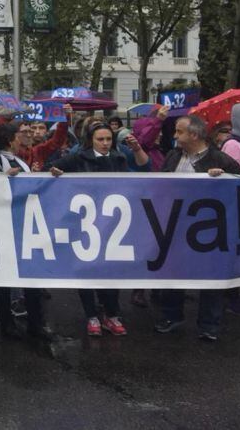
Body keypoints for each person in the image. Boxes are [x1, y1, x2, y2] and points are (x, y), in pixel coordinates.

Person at [49, 122, 149, 337]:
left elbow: (143, 169)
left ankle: (111, 314)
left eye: (108, 139)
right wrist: (56, 172)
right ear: (91, 140)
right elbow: (54, 167)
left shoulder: (119, 158)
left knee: (111, 271)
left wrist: (137, 149)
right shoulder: (78, 157)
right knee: (86, 271)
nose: (105, 143)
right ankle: (91, 315)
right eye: (100, 139)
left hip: (111, 226)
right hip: (85, 225)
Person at [154, 115, 240, 341]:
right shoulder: (173, 156)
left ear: (194, 134)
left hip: (210, 231)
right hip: (175, 227)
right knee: (173, 273)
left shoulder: (221, 160)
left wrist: (223, 179)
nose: (174, 136)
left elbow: (238, 188)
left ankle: (209, 325)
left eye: (179, 131)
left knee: (211, 276)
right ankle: (172, 315)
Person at [0, 122, 52, 341]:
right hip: (3, 226)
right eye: (19, 134)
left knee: (32, 277)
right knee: (4, 278)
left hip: (24, 226)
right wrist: (2, 176)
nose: (25, 137)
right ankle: (7, 323)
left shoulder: (21, 160)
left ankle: (36, 322)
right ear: (8, 138)